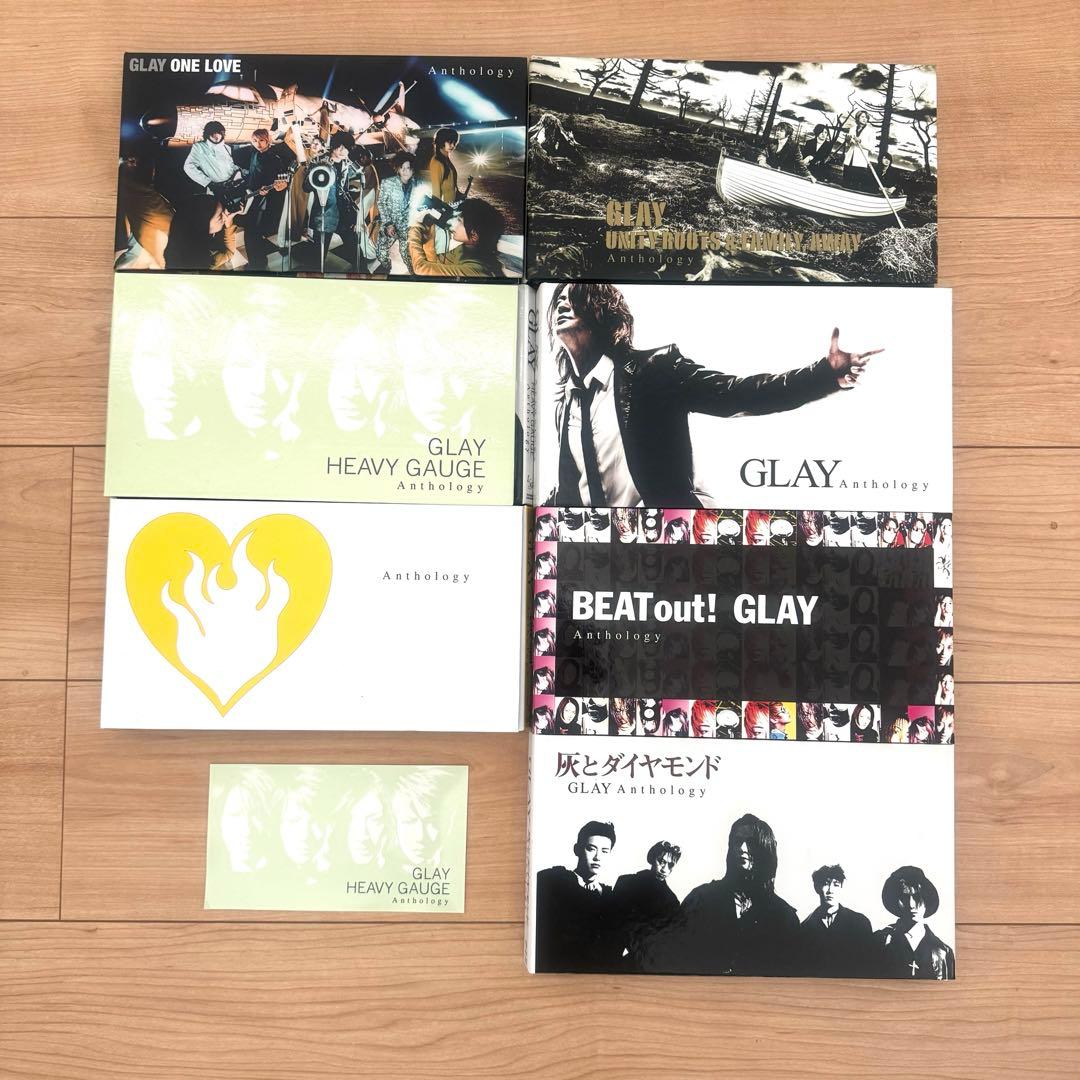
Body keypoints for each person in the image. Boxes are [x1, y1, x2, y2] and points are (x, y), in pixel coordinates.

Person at [545, 283, 882, 507]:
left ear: (601, 310)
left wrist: (823, 374)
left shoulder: (654, 370)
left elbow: (739, 393)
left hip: (670, 538)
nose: (562, 302)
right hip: (604, 550)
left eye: (574, 297)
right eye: (559, 298)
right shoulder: (568, 403)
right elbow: (572, 489)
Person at [654, 813, 799, 976]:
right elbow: (674, 959)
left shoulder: (784, 917)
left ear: (766, 851)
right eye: (737, 841)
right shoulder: (701, 899)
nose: (742, 848)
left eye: (751, 842)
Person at [534, 821, 622, 972]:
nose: (597, 857)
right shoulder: (553, 880)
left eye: (604, 851)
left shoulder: (610, 896)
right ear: (577, 849)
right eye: (591, 849)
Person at [874, 866, 955, 979]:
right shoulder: (880, 942)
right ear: (896, 901)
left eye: (917, 897)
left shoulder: (943, 951)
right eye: (904, 898)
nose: (911, 905)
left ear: (926, 900)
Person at [614, 841, 682, 971]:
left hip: (648, 964)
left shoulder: (672, 901)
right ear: (652, 858)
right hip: (614, 955)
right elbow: (614, 922)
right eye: (661, 861)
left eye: (670, 865)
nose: (664, 869)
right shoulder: (626, 882)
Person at [798, 865, 874, 977]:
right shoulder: (805, 927)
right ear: (816, 887)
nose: (830, 890)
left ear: (841, 887)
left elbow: (868, 965)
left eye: (836, 885)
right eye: (825, 884)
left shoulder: (860, 922)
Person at [304, 131, 365, 269]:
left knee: (355, 249)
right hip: (324, 214)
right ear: (334, 146)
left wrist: (353, 213)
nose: (344, 151)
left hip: (343, 214)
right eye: (341, 147)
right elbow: (306, 187)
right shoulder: (318, 161)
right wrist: (319, 175)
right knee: (318, 257)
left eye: (347, 148)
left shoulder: (346, 163)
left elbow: (345, 188)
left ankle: (363, 272)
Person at [407, 197, 505, 278]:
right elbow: (435, 261)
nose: (452, 223)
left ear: (474, 236)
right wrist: (429, 226)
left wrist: (414, 229)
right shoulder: (466, 248)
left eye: (459, 221)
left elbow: (421, 268)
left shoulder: (476, 270)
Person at [237, 128, 293, 270]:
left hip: (262, 202)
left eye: (261, 140)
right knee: (251, 234)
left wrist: (269, 189)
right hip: (251, 196)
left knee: (252, 234)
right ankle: (258, 262)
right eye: (254, 140)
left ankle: (257, 265)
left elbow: (281, 183)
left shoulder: (275, 158)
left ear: (268, 141)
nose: (258, 144)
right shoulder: (255, 153)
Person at [163, 194, 231, 271]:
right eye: (220, 215)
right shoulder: (190, 264)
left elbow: (228, 253)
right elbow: (228, 253)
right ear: (203, 222)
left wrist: (229, 225)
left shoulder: (190, 241)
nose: (224, 217)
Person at [375, 151, 418, 274]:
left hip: (407, 228)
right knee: (381, 254)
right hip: (390, 226)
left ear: (412, 169)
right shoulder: (387, 183)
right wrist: (388, 224)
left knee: (408, 256)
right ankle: (387, 268)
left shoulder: (418, 185)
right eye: (402, 167)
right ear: (397, 169)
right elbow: (381, 203)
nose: (405, 171)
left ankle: (415, 276)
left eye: (408, 168)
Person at [841, 111, 878, 192]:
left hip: (860, 162)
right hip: (849, 160)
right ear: (857, 118)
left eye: (866, 117)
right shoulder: (852, 129)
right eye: (862, 117)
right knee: (845, 183)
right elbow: (849, 145)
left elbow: (872, 148)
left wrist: (860, 141)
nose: (864, 119)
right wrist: (848, 140)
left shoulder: (871, 131)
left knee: (855, 186)